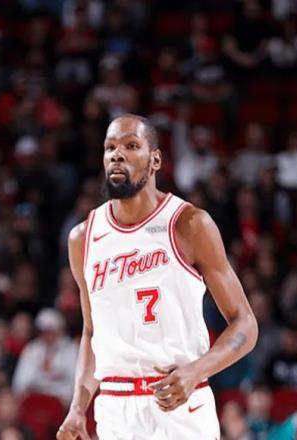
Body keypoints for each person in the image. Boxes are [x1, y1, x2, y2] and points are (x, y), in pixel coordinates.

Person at [57, 114, 258, 439]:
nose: (117, 155)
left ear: (155, 160)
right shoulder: (83, 238)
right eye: (110, 148)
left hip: (180, 405)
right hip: (116, 410)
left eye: (130, 146)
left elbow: (246, 325)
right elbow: (92, 332)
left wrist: (196, 371)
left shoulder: (189, 225)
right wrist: (78, 407)